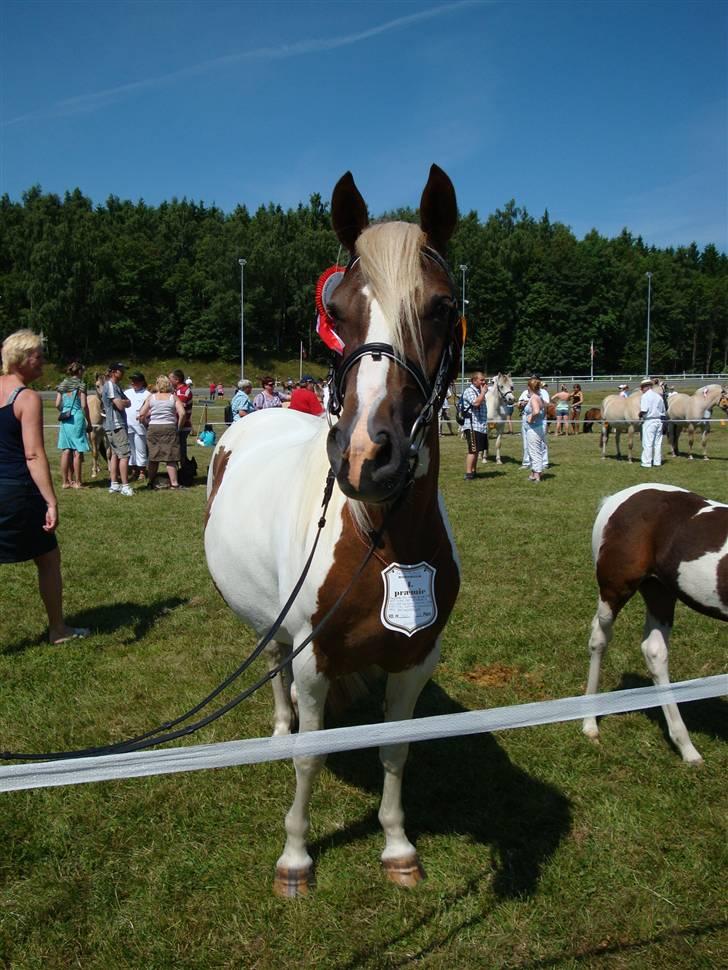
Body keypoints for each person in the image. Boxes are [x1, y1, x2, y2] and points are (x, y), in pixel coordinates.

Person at [0, 330, 90, 644]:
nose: (44, 362)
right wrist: (51, 501)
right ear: (22, 358)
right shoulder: (26, 397)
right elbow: (34, 454)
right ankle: (58, 629)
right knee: (48, 558)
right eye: (39, 355)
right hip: (16, 490)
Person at [138, 375, 186, 489]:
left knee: (154, 457)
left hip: (154, 427)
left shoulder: (151, 397)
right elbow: (182, 413)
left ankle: (150, 482)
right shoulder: (173, 397)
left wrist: (146, 424)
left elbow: (141, 414)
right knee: (171, 457)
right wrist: (178, 427)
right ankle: (174, 484)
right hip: (169, 427)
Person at [55, 361, 91, 488]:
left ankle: (65, 482)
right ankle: (78, 482)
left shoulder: (63, 384)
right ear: (80, 371)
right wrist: (89, 422)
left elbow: (57, 404)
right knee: (77, 451)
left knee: (65, 451)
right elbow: (83, 405)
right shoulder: (81, 384)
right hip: (77, 418)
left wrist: (64, 410)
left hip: (65, 419)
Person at [102, 362, 133, 496]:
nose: (123, 373)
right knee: (124, 455)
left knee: (115, 454)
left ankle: (114, 484)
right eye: (121, 371)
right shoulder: (110, 386)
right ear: (114, 372)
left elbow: (128, 402)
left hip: (114, 425)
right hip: (116, 425)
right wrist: (124, 402)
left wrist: (124, 402)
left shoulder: (116, 386)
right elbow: (120, 405)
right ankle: (125, 485)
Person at [461, 371, 488, 480]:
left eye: (484, 380)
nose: (484, 382)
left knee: (477, 450)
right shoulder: (469, 391)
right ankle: (468, 474)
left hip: (480, 425)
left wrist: (482, 392)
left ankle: (473, 471)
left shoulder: (479, 391)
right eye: (481, 380)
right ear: (474, 380)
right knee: (472, 450)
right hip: (472, 425)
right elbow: (476, 403)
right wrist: (483, 393)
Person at [125, 371, 150, 482]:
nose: (133, 383)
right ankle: (133, 469)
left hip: (140, 426)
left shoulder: (147, 394)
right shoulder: (127, 392)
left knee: (140, 448)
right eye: (132, 381)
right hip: (128, 424)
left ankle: (142, 471)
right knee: (131, 449)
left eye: (136, 381)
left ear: (142, 382)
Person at [523, 377, 547, 481]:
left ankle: (537, 474)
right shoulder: (539, 397)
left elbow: (536, 411)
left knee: (534, 451)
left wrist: (530, 418)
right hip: (539, 427)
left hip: (534, 429)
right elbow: (545, 408)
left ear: (529, 387)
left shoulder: (533, 398)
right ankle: (533, 473)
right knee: (533, 450)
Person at [639, 377, 666, 468]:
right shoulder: (658, 396)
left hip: (649, 420)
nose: (641, 389)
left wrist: (639, 415)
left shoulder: (645, 396)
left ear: (647, 387)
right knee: (657, 443)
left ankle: (646, 462)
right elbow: (663, 410)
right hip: (659, 420)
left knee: (647, 442)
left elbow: (644, 410)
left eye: (642, 387)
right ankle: (657, 462)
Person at [169, 368, 193, 463]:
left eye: (170, 378)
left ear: (177, 379)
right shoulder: (177, 391)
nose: (169, 381)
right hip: (179, 424)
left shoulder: (182, 391)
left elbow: (180, 409)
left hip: (181, 426)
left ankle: (185, 470)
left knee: (180, 451)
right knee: (178, 450)